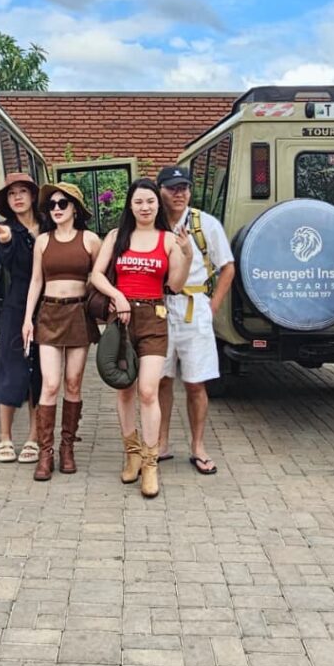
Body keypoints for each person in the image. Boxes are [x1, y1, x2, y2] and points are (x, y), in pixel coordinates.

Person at [90, 178, 189, 498]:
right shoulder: (117, 237)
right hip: (120, 319)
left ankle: (150, 463)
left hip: (154, 318)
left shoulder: (169, 240)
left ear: (157, 205)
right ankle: (131, 454)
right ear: (130, 206)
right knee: (124, 389)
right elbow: (96, 275)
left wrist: (186, 254)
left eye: (150, 202)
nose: (145, 207)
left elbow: (174, 284)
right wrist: (117, 296)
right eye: (138, 202)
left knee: (148, 390)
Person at [155, 166, 235, 475]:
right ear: (160, 190)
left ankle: (198, 446)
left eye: (184, 187)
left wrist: (213, 305)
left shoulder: (204, 224)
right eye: (172, 188)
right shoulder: (154, 223)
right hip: (161, 307)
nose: (179, 193)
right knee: (161, 379)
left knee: (195, 382)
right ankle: (161, 443)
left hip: (194, 306)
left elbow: (227, 266)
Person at [21, 182, 102, 480]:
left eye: (62, 204)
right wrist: (27, 319)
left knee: (73, 383)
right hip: (50, 313)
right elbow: (35, 282)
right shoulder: (42, 241)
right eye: (51, 205)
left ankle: (68, 447)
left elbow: (103, 276)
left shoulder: (91, 240)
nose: (55, 209)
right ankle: (46, 453)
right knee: (50, 383)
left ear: (75, 209)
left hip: (79, 313)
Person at [0, 173, 44, 464]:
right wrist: (5, 240)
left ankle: (34, 437)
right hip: (16, 305)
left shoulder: (49, 226)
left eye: (23, 191)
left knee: (42, 373)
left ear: (33, 196)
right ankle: (5, 437)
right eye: (11, 194)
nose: (17, 197)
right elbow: (6, 258)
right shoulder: (6, 229)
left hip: (50, 306)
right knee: (11, 368)